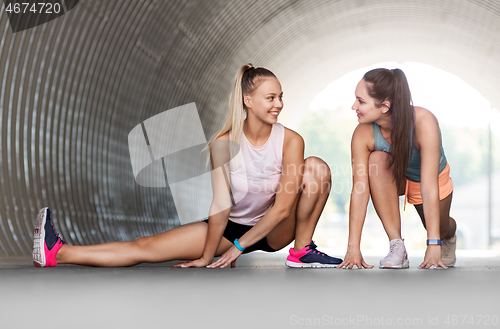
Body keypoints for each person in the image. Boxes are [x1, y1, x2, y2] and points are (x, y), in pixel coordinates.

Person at [32, 63, 342, 268]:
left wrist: (239, 248)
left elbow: (283, 208)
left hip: (274, 229)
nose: (278, 104)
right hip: (230, 229)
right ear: (248, 101)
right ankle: (56, 252)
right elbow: (221, 205)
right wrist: (209, 255)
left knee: (316, 167)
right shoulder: (223, 144)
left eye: (280, 97)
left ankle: (302, 250)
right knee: (145, 246)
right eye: (270, 97)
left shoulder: (290, 140)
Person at [337, 68, 457, 270]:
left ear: (384, 106)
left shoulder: (423, 121)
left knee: (438, 228)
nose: (353, 106)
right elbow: (360, 189)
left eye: (361, 101)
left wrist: (434, 243)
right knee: (376, 160)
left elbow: (428, 186)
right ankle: (397, 247)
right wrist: (353, 247)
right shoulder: (362, 134)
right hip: (396, 175)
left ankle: (450, 234)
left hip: (427, 180)